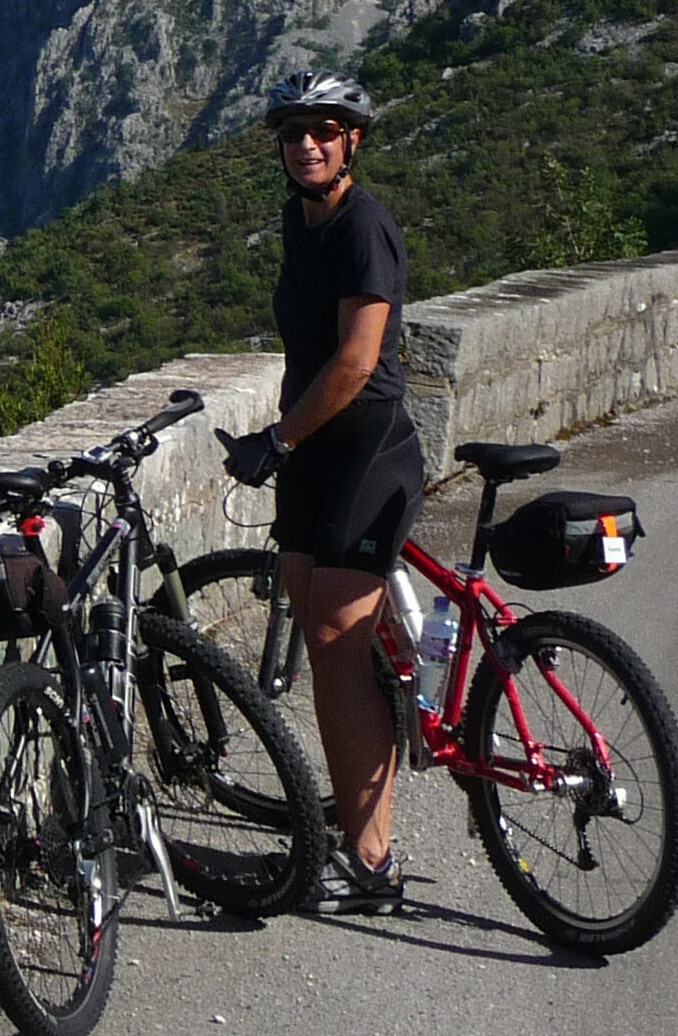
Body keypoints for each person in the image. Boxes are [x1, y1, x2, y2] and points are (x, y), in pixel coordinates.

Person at [218, 69, 421, 915]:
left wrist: (278, 438)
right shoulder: (303, 224)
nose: (306, 143)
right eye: (294, 131)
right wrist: (289, 441)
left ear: (352, 141)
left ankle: (370, 865)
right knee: (315, 615)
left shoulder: (362, 229)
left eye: (324, 130)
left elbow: (356, 361)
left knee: (335, 645)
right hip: (312, 449)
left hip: (362, 447)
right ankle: (356, 798)